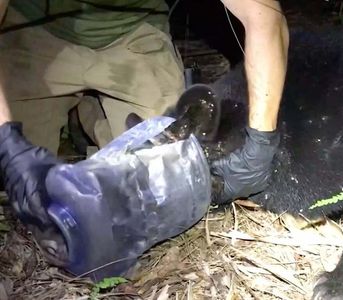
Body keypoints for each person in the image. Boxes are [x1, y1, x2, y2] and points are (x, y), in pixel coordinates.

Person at [0, 0, 289, 248]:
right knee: (20, 190)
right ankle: (83, 105)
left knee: (164, 177)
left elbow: (264, 15)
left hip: (132, 32)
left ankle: (95, 114)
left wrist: (261, 142)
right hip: (34, 29)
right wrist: (8, 143)